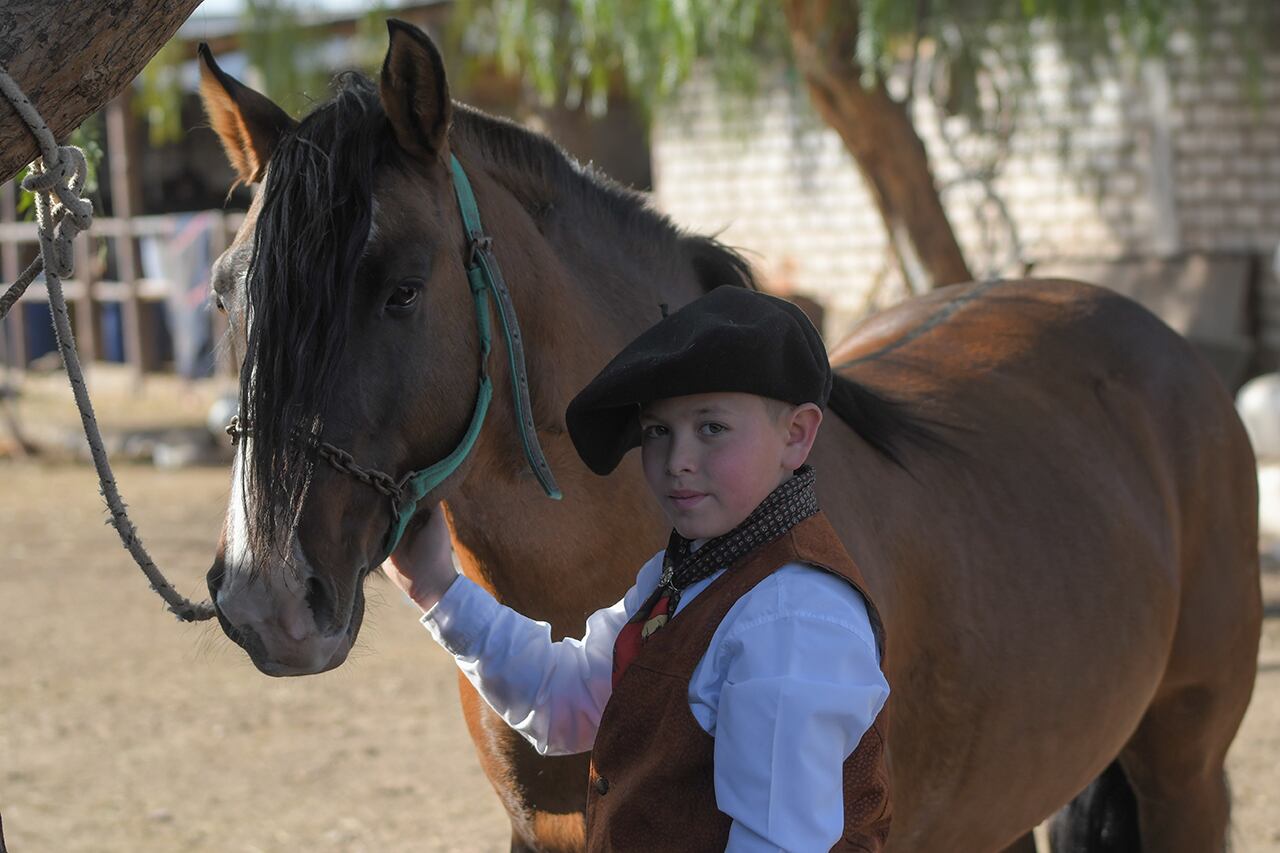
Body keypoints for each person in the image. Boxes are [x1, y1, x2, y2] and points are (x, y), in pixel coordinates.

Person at [382, 286, 892, 851]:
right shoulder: (690, 572)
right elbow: (566, 702)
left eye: (712, 428)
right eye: (658, 431)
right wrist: (436, 588)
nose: (678, 461)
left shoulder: (791, 618)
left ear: (795, 435)